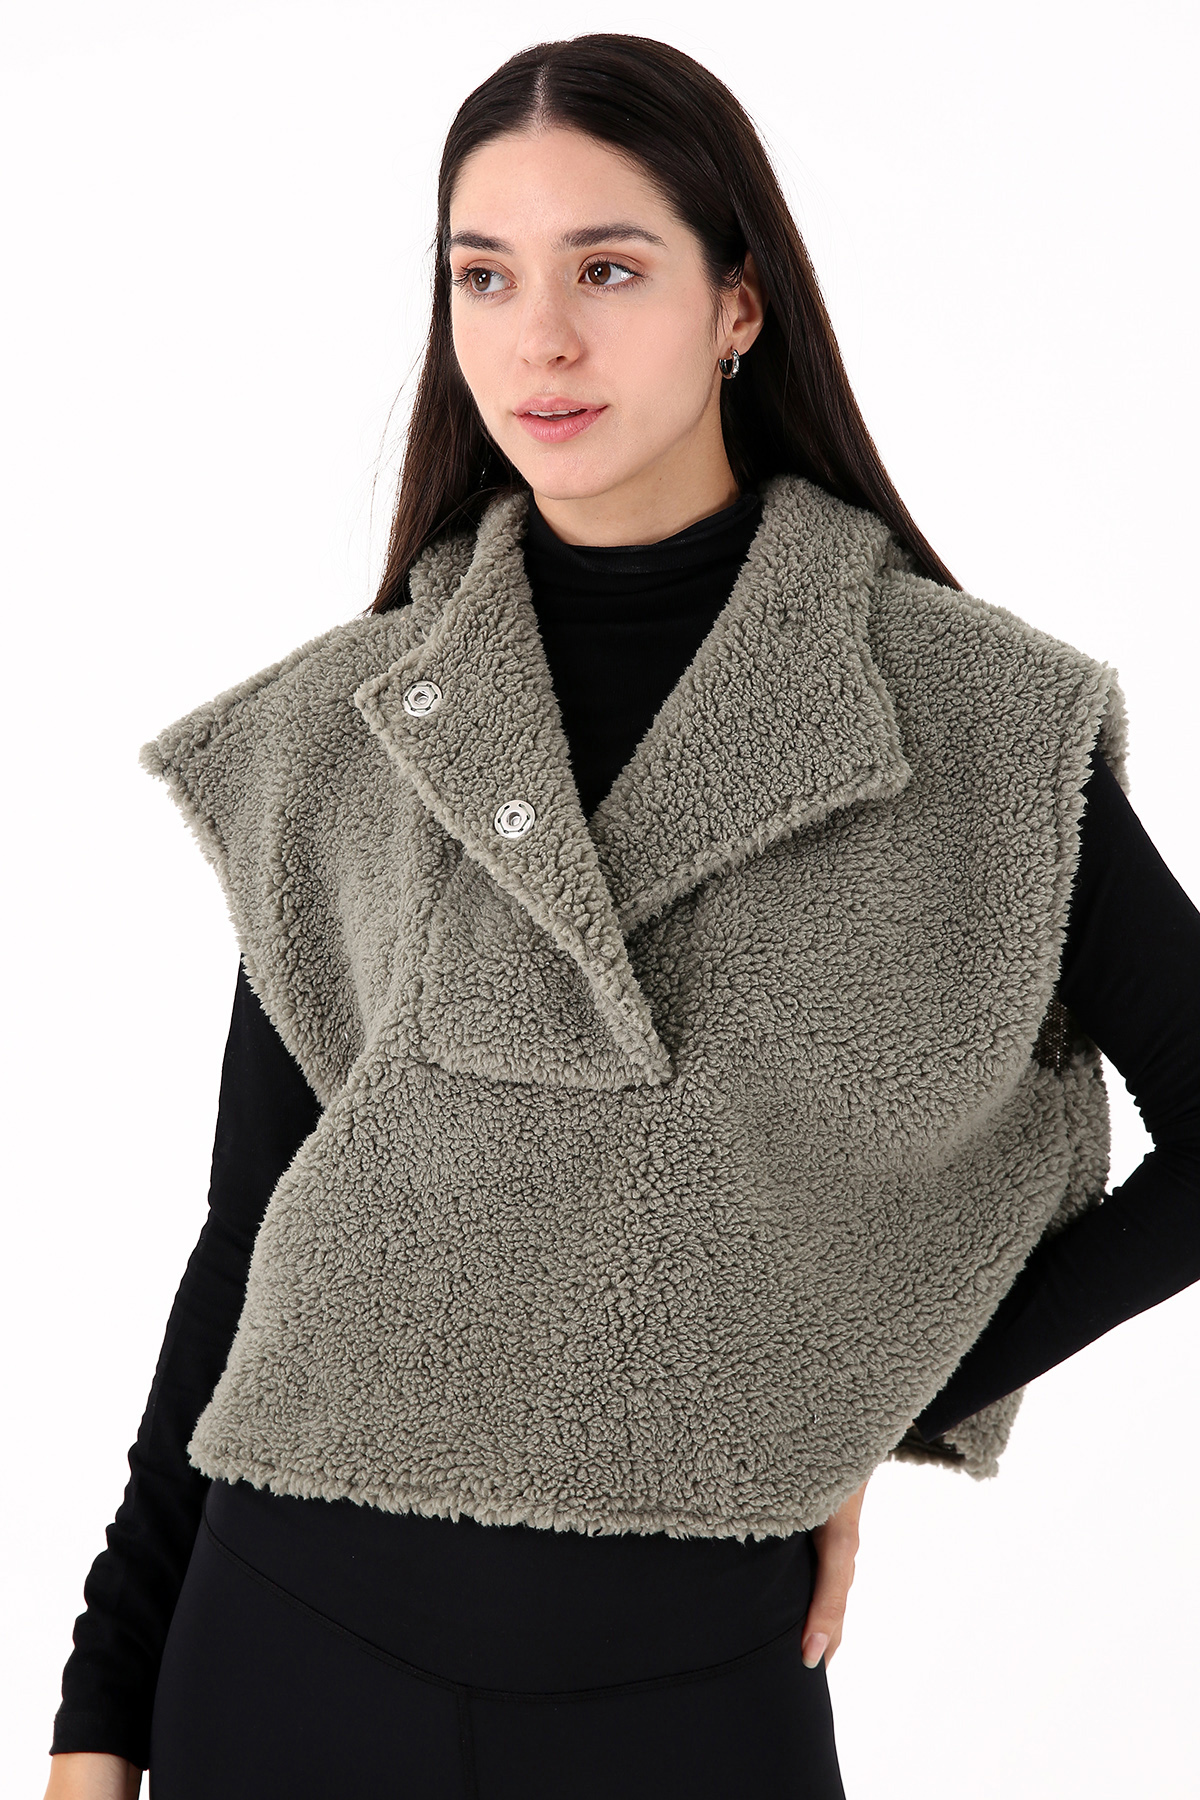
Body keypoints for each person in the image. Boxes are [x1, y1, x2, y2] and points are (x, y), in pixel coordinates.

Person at [44, 32, 1200, 1800]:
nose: (540, 340)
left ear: (737, 303)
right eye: (483, 277)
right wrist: (100, 1708)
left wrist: (855, 1398)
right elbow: (252, 1229)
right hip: (279, 1641)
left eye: (606, 269)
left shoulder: (977, 722)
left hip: (687, 1685)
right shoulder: (351, 727)